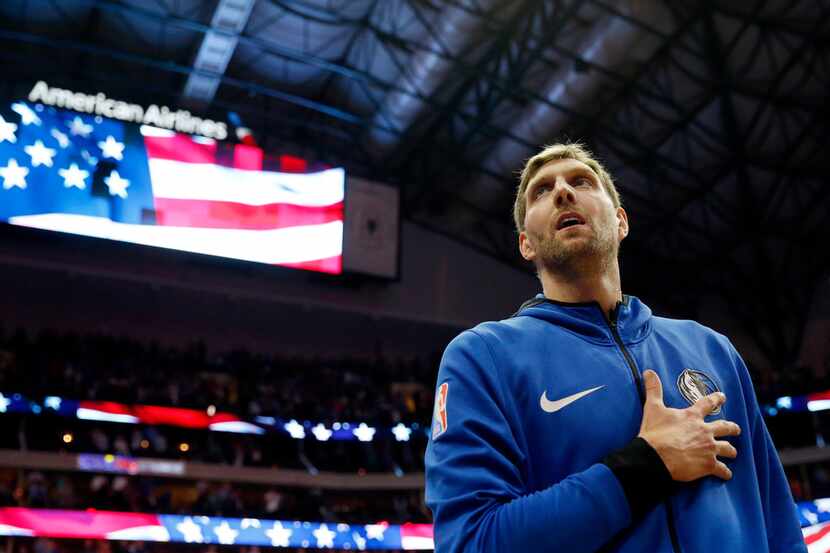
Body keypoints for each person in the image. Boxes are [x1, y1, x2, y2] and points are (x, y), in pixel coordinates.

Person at [424, 143, 805, 552]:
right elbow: (470, 541)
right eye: (541, 191)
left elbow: (780, 527)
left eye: (581, 181)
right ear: (525, 245)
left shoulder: (713, 349)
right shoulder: (483, 357)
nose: (563, 192)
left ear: (621, 221)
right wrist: (645, 466)